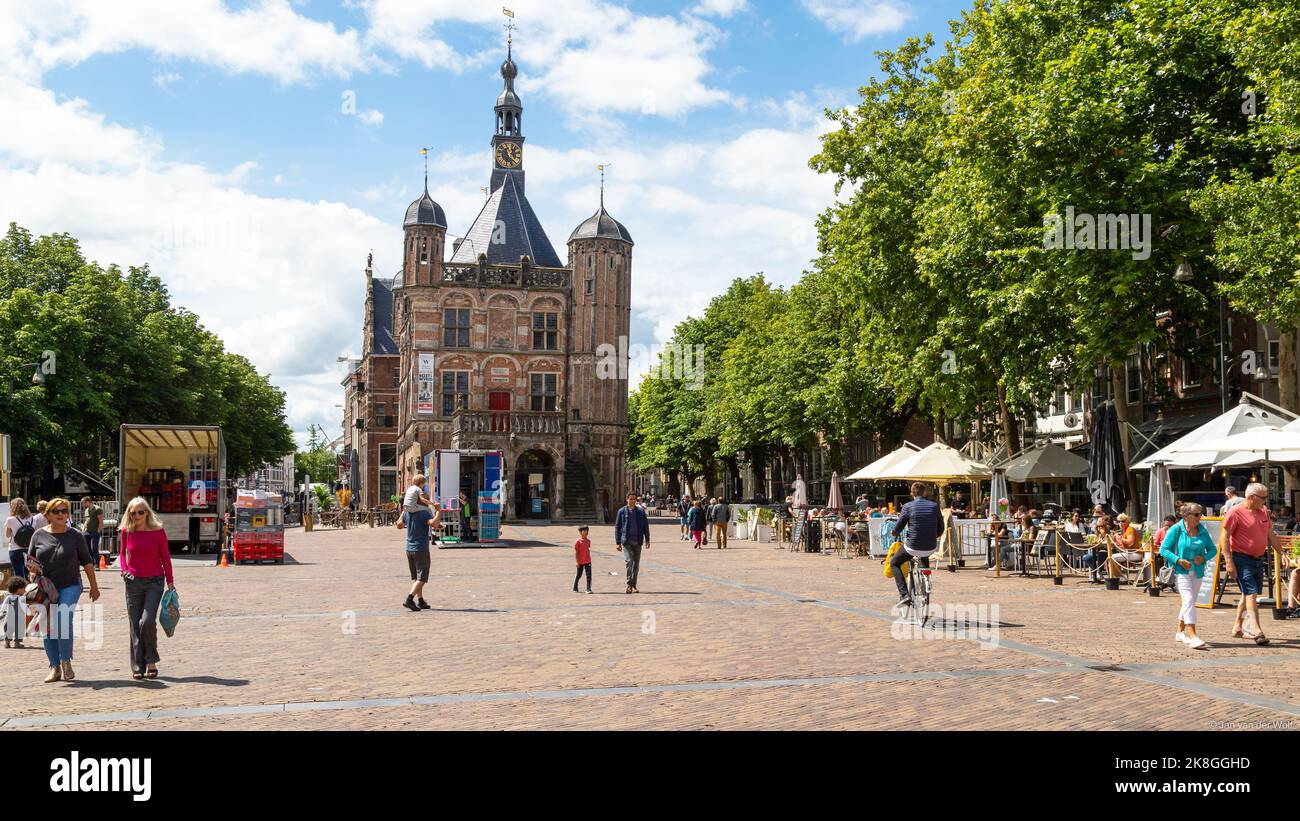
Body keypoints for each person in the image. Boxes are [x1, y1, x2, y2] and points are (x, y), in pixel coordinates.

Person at [28, 497, 100, 683]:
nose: (61, 514)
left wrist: (94, 586)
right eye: (56, 511)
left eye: (64, 511)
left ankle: (66, 661)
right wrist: (32, 572)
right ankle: (54, 667)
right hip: (46, 588)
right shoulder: (38, 535)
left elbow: (87, 561)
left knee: (62, 618)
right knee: (47, 626)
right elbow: (31, 561)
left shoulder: (76, 535)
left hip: (71, 585)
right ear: (48, 515)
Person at [118, 497, 176, 680]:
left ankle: (151, 660)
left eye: (140, 512)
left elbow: (165, 556)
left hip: (154, 582)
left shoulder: (158, 531)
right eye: (132, 513)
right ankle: (137, 666)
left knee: (147, 621)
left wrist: (170, 581)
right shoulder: (126, 532)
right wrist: (124, 570)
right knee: (135, 625)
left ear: (147, 513)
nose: (136, 516)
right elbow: (121, 555)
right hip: (133, 582)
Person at [1224, 482, 1279, 645]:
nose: (1265, 501)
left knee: (1246, 595)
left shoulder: (1264, 512)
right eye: (1263, 498)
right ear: (1251, 497)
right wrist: (1228, 562)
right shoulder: (1235, 512)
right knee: (1251, 594)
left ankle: (1237, 627)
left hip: (1258, 559)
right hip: (1242, 558)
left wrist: (1282, 552)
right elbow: (1224, 537)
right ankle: (1257, 630)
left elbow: (1271, 534)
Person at [1159, 503, 1216, 650]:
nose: (1200, 517)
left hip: (1197, 571)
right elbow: (1163, 549)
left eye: (1200, 514)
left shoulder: (1202, 531)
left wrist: (1203, 557)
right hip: (1181, 571)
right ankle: (1192, 634)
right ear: (1186, 516)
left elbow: (1213, 550)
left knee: (1189, 602)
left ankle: (1179, 631)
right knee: (1188, 599)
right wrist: (1178, 560)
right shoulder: (1176, 529)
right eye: (1196, 514)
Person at [890, 482, 944, 608]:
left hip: (912, 546)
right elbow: (941, 528)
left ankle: (905, 595)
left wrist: (894, 532)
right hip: (930, 546)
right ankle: (926, 577)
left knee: (894, 563)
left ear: (912, 493)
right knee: (923, 553)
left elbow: (899, 527)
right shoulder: (935, 506)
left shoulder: (908, 506)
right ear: (925, 492)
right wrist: (932, 536)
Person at [401, 502, 438, 612]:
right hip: (420, 549)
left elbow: (398, 524)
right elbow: (434, 524)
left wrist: (403, 512)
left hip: (409, 549)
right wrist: (439, 511)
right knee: (422, 577)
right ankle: (409, 599)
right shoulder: (423, 513)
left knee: (417, 577)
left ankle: (420, 600)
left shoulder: (407, 512)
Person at [614, 493, 650, 594]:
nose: (633, 501)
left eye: (634, 499)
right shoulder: (621, 511)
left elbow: (645, 526)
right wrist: (617, 542)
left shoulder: (640, 512)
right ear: (627, 499)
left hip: (638, 540)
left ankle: (633, 585)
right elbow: (618, 527)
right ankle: (629, 584)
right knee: (629, 561)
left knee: (636, 564)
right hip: (626, 541)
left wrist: (647, 539)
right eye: (631, 499)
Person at [3, 498, 36, 583]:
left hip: (15, 549)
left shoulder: (11, 519)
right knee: (28, 572)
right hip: (28, 549)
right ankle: (29, 591)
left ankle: (20, 592)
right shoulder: (32, 519)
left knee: (18, 574)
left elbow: (7, 535)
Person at [1107, 513, 1142, 579]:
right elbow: (1125, 545)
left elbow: (1130, 542)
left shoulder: (1130, 529)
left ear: (1128, 521)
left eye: (1123, 521)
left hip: (1135, 553)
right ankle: (1117, 576)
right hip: (1129, 552)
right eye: (1119, 521)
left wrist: (1119, 537)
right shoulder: (1125, 530)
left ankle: (1120, 577)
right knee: (1110, 556)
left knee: (1112, 557)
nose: (1120, 523)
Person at [1081, 516, 1112, 582]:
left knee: (1101, 553)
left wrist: (1103, 534)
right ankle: (1095, 571)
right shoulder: (1097, 535)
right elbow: (1094, 543)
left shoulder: (1109, 534)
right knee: (1085, 557)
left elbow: (1110, 542)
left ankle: (1098, 572)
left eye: (1102, 526)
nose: (1100, 528)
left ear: (1105, 527)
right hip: (1096, 552)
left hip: (1107, 552)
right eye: (1098, 526)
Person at [4, 575, 28, 649]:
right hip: (19, 620)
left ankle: (7, 643)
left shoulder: (8, 597)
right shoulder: (21, 598)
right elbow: (25, 609)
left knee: (8, 630)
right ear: (18, 589)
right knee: (19, 631)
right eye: (23, 588)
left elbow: (3, 607)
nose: (25, 590)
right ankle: (17, 643)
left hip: (8, 619)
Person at [573, 525, 593, 594]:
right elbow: (576, 552)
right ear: (580, 532)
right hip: (580, 561)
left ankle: (588, 589)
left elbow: (587, 549)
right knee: (579, 575)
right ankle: (575, 586)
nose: (586, 532)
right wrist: (577, 562)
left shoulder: (588, 541)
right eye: (584, 531)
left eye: (587, 531)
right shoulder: (578, 542)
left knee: (589, 575)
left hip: (588, 561)